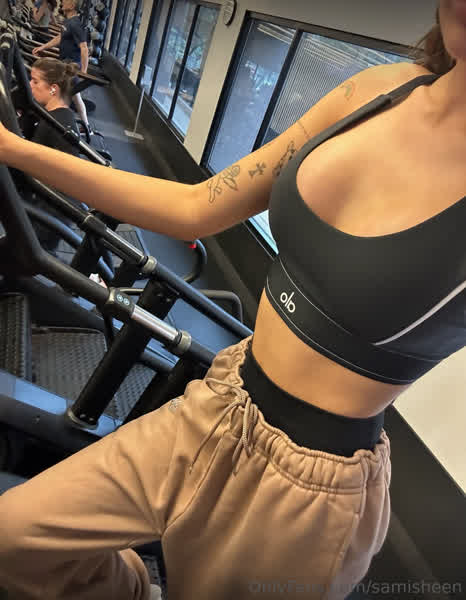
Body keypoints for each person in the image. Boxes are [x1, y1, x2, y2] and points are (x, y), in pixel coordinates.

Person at [0, 2, 464, 599]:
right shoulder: (381, 89)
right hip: (224, 399)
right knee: (15, 541)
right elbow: (197, 206)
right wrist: (14, 149)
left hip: (305, 486)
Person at [31, 0, 90, 133]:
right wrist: (43, 47)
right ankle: (86, 127)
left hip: (71, 66)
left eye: (66, 1)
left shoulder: (75, 24)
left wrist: (84, 72)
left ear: (72, 6)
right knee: (74, 97)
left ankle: (49, 121)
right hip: (65, 62)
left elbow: (84, 48)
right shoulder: (68, 21)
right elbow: (60, 38)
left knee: (56, 91)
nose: (63, 2)